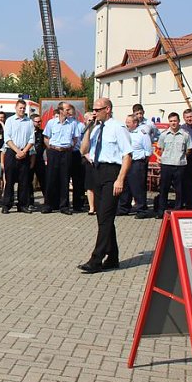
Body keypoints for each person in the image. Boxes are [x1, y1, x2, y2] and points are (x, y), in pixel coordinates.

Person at [77, 98, 132, 274]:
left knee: (106, 217)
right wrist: (87, 129)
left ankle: (96, 259)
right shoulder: (95, 128)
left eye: (97, 109)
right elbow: (83, 150)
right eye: (93, 109)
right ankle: (113, 257)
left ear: (107, 109)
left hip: (112, 173)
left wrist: (120, 179)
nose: (94, 112)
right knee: (103, 218)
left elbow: (127, 155)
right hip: (97, 171)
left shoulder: (118, 127)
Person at [42, 106, 79, 214]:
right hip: (53, 151)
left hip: (66, 152)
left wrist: (68, 147)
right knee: (50, 178)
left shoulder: (73, 123)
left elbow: (75, 139)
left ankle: (64, 206)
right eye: (66, 110)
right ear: (61, 111)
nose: (68, 112)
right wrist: (52, 148)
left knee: (65, 178)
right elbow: (46, 137)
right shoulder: (51, 123)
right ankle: (48, 205)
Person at [156, 112, 192, 217]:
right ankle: (161, 211)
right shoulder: (163, 135)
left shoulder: (185, 135)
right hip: (166, 164)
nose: (173, 123)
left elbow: (189, 149)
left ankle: (178, 211)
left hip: (180, 165)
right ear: (169, 122)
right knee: (163, 189)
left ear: (179, 121)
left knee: (179, 190)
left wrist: (180, 157)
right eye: (171, 121)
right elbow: (161, 148)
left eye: (175, 121)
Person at [1, 99, 35, 214]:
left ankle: (23, 205)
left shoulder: (29, 122)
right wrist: (17, 151)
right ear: (15, 108)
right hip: (11, 152)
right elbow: (7, 138)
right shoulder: (10, 121)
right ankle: (6, 205)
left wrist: (24, 151)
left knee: (24, 181)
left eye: (23, 108)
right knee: (9, 180)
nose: (22, 110)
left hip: (24, 152)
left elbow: (31, 139)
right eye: (20, 108)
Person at [120, 114, 153, 219]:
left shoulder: (142, 134)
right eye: (126, 122)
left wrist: (141, 162)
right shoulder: (125, 133)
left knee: (137, 187)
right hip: (125, 162)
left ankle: (141, 209)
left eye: (129, 122)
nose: (126, 124)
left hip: (137, 162)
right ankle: (123, 208)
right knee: (125, 186)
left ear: (135, 123)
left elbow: (148, 151)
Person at [29, 113, 46, 208]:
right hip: (30, 160)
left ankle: (47, 201)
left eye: (40, 121)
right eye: (37, 121)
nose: (39, 123)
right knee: (29, 181)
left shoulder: (42, 133)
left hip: (39, 160)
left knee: (43, 181)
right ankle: (30, 201)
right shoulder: (28, 132)